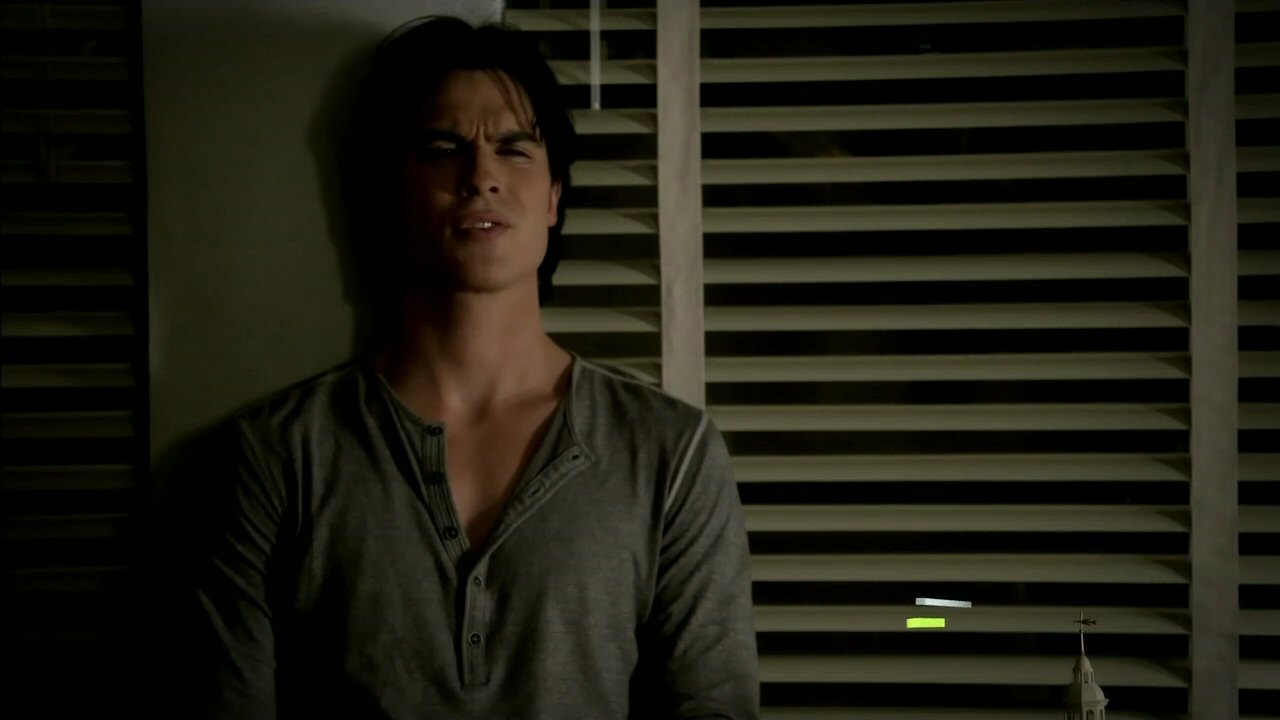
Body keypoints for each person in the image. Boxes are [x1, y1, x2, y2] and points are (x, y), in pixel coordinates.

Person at [178, 15, 759, 719]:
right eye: (443, 149)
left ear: (554, 197)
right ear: (390, 195)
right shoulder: (278, 455)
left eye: (514, 150)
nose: (481, 176)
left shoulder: (669, 451)